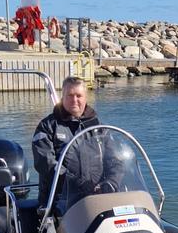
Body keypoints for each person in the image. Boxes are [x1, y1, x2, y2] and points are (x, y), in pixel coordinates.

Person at [32, 76, 122, 209]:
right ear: (63, 97)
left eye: (78, 95)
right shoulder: (47, 127)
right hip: (60, 201)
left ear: (86, 97)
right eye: (70, 95)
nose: (74, 100)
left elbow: (115, 161)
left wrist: (111, 183)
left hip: (98, 199)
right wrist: (76, 184)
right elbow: (45, 164)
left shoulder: (99, 128)